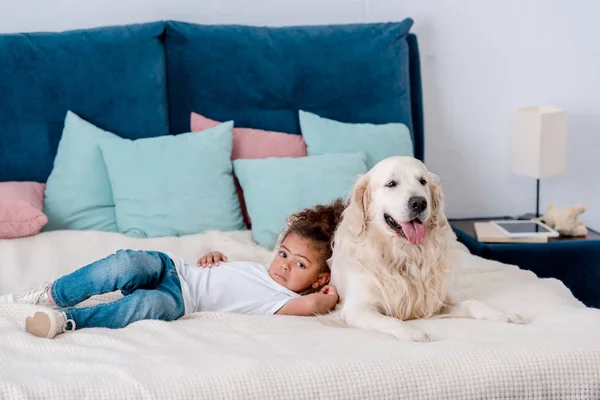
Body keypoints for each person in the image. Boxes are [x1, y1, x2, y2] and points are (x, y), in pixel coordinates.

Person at [1, 199, 346, 339]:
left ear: (319, 277)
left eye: (299, 264)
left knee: (147, 308)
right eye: (283, 254)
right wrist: (213, 256)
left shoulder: (282, 301)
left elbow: (313, 305)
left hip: (181, 300)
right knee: (125, 263)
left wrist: (328, 297)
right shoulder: (262, 268)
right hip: (173, 268)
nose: (284, 266)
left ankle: (68, 320)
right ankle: (52, 294)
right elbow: (228, 272)